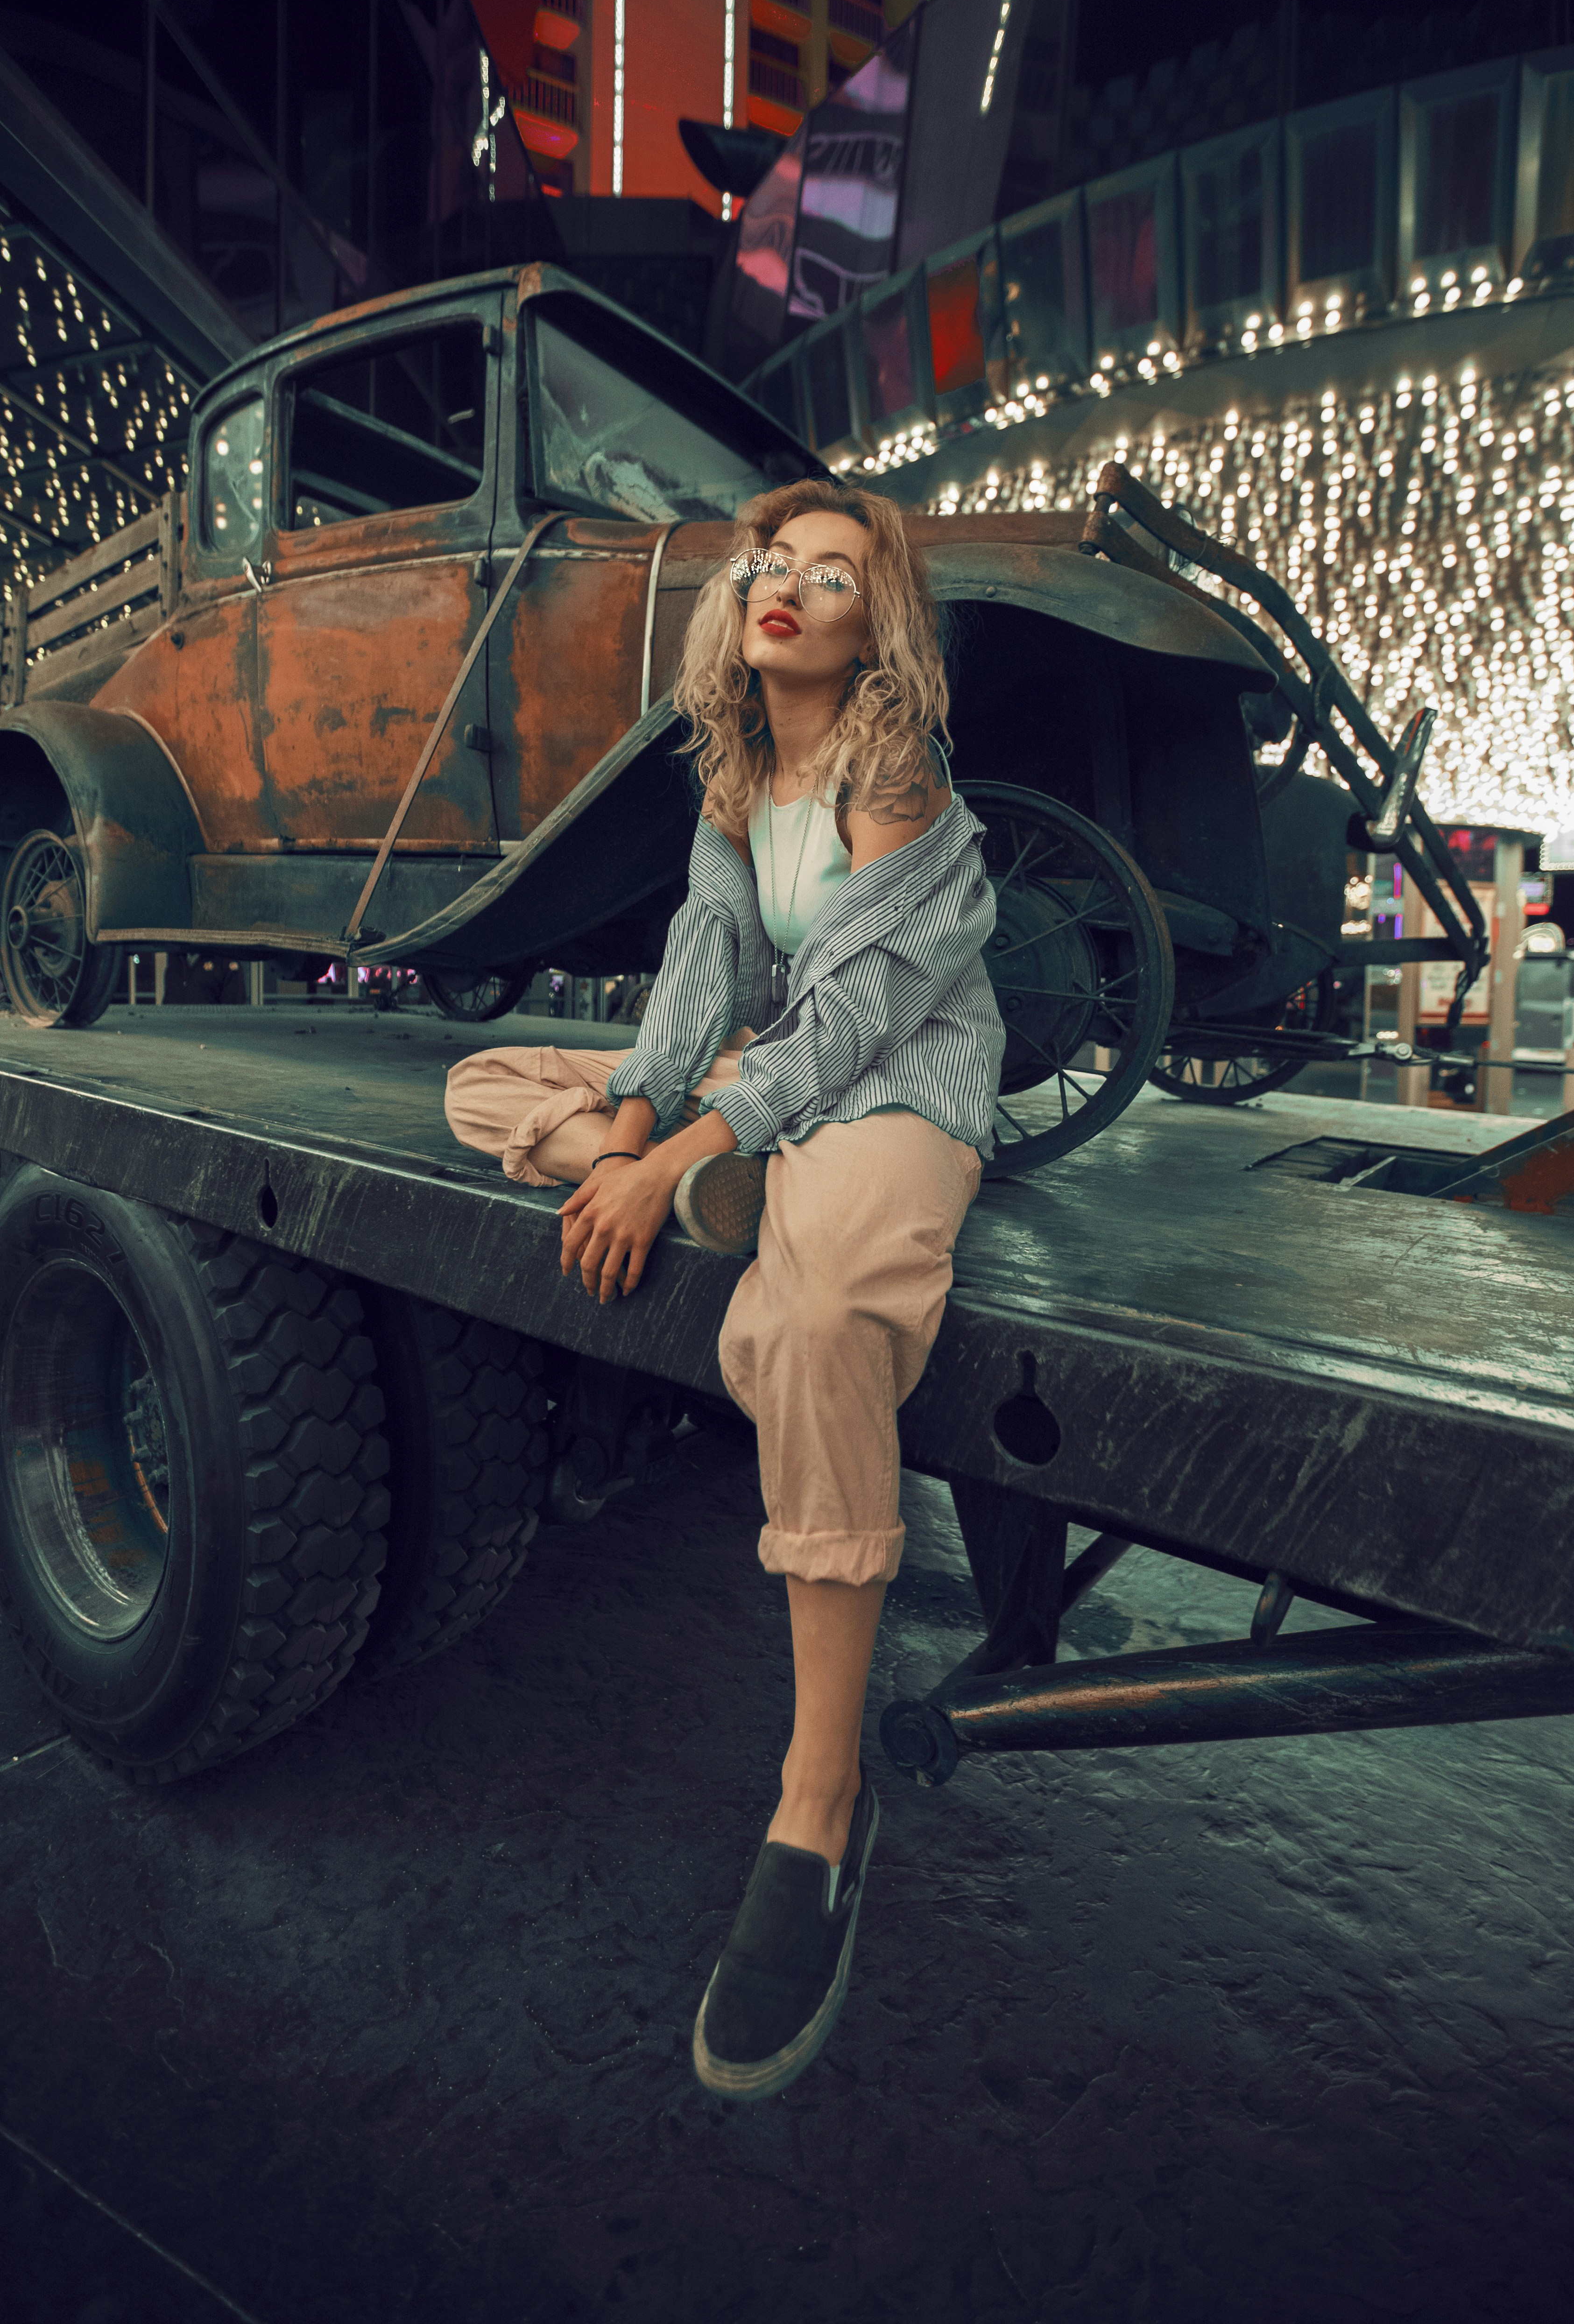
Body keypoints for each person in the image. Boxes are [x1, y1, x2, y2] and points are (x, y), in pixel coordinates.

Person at [445, 481, 1003, 2100]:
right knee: (483, 1083)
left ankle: (820, 1798)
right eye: (771, 561)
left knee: (815, 1323)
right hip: (763, 1087)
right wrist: (632, 1130)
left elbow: (843, 1034)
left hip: (895, 1087)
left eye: (832, 575)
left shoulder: (903, 782)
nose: (788, 586)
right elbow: (703, 964)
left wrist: (681, 1137)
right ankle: (708, 1189)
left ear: (867, 622)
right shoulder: (736, 766)